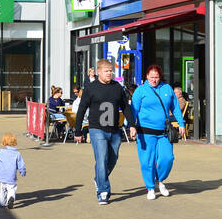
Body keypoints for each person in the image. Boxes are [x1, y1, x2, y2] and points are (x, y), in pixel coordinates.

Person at [74, 59, 137, 204]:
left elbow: (125, 107)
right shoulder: (91, 88)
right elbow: (82, 109)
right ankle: (103, 191)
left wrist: (132, 125)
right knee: (101, 159)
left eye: (111, 71)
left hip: (115, 130)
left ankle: (99, 178)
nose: (110, 74)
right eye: (106, 71)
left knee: (112, 159)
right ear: (99, 72)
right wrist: (78, 131)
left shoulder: (117, 87)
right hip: (97, 129)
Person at [132, 64, 186, 200]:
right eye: (151, 77)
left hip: (163, 132)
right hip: (145, 133)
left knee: (167, 158)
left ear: (160, 77)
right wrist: (132, 126)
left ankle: (159, 180)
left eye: (156, 77)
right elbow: (133, 109)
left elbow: (175, 107)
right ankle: (150, 188)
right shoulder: (140, 91)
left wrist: (181, 123)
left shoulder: (167, 88)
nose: (154, 80)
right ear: (146, 77)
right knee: (147, 162)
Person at [0, 132, 27, 208]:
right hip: (11, 176)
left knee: (3, 190)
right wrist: (23, 172)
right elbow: (21, 165)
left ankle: (2, 203)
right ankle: (11, 198)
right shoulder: (17, 154)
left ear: (4, 142)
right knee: (11, 188)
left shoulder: (1, 152)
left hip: (2, 176)